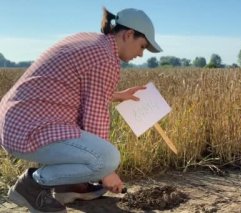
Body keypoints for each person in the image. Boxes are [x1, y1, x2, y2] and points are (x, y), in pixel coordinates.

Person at [0, 7, 162, 213]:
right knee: (107, 158)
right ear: (128, 34)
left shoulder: (92, 41)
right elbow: (95, 121)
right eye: (142, 46)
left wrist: (117, 95)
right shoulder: (105, 58)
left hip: (17, 123)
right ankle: (32, 185)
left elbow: (73, 87)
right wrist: (106, 172)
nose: (141, 54)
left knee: (97, 154)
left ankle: (67, 186)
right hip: (30, 130)